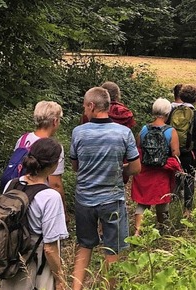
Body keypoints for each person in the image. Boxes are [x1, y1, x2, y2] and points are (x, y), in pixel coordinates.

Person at [70, 87, 141, 290]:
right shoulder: (124, 133)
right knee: (112, 250)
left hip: (84, 199)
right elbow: (136, 168)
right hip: (112, 200)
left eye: (84, 106)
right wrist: (120, 169)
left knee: (84, 246)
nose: (84, 111)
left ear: (92, 105)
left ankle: (76, 288)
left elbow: (76, 167)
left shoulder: (78, 132)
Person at [1, 138, 68, 290]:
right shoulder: (50, 196)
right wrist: (60, 278)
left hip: (10, 259)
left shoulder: (12, 184)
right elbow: (50, 248)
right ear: (53, 165)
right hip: (36, 264)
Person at [131, 98, 182, 236]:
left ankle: (138, 231)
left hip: (145, 170)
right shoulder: (170, 131)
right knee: (162, 199)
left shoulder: (144, 129)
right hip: (162, 171)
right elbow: (175, 153)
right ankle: (163, 227)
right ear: (168, 112)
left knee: (143, 201)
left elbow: (138, 148)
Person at [14, 101, 66, 211]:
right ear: (55, 121)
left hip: (18, 197)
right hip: (41, 200)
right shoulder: (53, 147)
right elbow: (55, 184)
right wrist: (64, 211)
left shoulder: (23, 139)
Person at [167, 84, 196, 218]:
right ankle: (187, 210)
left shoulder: (172, 112)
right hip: (190, 151)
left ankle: (173, 202)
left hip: (173, 150)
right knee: (189, 178)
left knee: (175, 176)